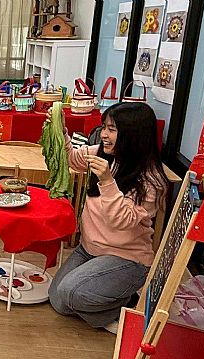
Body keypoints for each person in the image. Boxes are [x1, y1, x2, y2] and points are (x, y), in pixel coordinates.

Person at [48, 102, 169, 333]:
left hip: (126, 258)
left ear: (133, 135)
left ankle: (127, 304)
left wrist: (106, 180)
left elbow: (120, 221)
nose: (103, 134)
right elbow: (71, 158)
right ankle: (110, 301)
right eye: (104, 127)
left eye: (111, 129)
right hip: (89, 249)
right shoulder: (101, 153)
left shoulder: (152, 180)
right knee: (58, 300)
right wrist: (60, 130)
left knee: (70, 293)